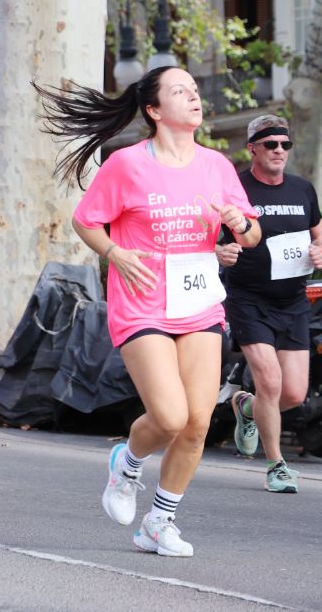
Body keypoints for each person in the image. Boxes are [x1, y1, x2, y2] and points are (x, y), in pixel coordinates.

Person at [36, 65, 260, 558]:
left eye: (195, 90)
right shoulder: (127, 165)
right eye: (181, 91)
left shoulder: (217, 166)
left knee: (198, 422)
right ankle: (127, 464)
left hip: (199, 302)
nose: (194, 97)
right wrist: (114, 254)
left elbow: (250, 236)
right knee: (170, 415)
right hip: (142, 304)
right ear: (155, 111)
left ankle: (159, 522)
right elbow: (85, 220)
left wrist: (239, 223)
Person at [216, 115, 322, 493]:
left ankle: (245, 406)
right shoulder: (236, 190)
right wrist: (219, 251)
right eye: (271, 144)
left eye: (285, 144)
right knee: (271, 381)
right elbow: (205, 239)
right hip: (247, 298)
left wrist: (319, 250)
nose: (279, 150)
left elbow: (319, 236)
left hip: (293, 301)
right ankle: (276, 465)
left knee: (293, 393)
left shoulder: (303, 189)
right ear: (253, 148)